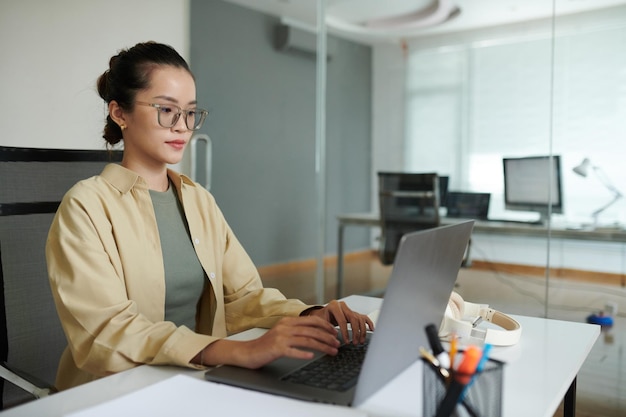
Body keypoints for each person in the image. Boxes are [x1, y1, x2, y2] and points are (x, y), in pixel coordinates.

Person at [46, 41, 374, 391]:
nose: (182, 126)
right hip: (113, 392)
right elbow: (106, 332)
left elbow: (243, 297)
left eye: (190, 112)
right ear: (119, 113)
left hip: (195, 378)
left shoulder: (198, 200)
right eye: (166, 110)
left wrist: (310, 314)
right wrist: (234, 351)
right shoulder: (85, 206)